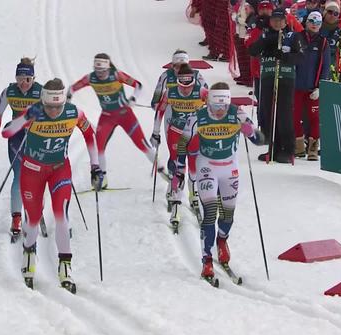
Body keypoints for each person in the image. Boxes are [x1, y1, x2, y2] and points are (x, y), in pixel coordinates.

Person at [1, 78, 100, 292]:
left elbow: (90, 135)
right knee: (34, 220)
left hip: (59, 170)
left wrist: (95, 166)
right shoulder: (33, 111)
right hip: (32, 170)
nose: (54, 111)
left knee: (61, 217)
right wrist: (25, 119)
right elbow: (7, 133)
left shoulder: (74, 113)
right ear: (43, 102)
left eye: (58, 107)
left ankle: (65, 266)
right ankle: (29, 254)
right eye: (49, 107)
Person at [179, 82, 264, 283]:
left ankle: (222, 241)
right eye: (216, 107)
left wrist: (250, 132)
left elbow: (260, 140)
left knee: (228, 216)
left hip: (229, 168)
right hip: (207, 166)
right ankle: (207, 260)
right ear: (209, 102)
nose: (220, 111)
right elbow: (183, 142)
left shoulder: (237, 113)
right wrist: (179, 168)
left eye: (224, 107)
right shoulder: (197, 116)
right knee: (210, 213)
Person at [68, 53, 155, 189]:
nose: (100, 74)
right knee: (99, 145)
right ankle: (102, 178)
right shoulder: (91, 78)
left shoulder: (116, 75)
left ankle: (162, 169)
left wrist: (133, 99)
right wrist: (68, 99)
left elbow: (138, 85)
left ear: (108, 68)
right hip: (107, 116)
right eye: (97, 70)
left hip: (124, 114)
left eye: (102, 71)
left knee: (141, 144)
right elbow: (72, 88)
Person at [0, 58, 44, 241]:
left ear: (33, 78)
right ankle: (16, 218)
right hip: (16, 136)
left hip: (37, 136)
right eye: (20, 78)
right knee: (19, 176)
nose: (23, 83)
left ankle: (36, 210)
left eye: (27, 79)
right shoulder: (9, 91)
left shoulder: (41, 92)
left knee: (38, 175)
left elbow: (54, 112)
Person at [152, 64, 208, 225]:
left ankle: (193, 193)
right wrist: (156, 132)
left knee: (194, 166)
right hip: (176, 133)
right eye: (181, 85)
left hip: (196, 133)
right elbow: (160, 111)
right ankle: (176, 200)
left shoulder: (201, 91)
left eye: (188, 86)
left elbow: (217, 105)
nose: (185, 90)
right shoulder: (170, 92)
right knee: (178, 167)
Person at [248, 7, 304, 163]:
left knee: (284, 114)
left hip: (285, 77)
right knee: (268, 113)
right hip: (268, 76)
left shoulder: (292, 36)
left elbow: (301, 57)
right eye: (274, 20)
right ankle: (274, 148)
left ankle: (288, 148)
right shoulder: (266, 34)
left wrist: (286, 56)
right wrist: (266, 41)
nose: (277, 23)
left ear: (286, 22)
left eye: (280, 21)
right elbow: (252, 50)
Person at [294, 11, 331, 160]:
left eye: (317, 23)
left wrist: (320, 86)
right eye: (312, 22)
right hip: (297, 85)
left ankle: (313, 148)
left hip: (313, 87)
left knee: (314, 117)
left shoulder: (323, 42)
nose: (314, 25)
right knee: (295, 116)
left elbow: (326, 66)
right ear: (306, 22)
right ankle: (298, 146)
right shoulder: (298, 38)